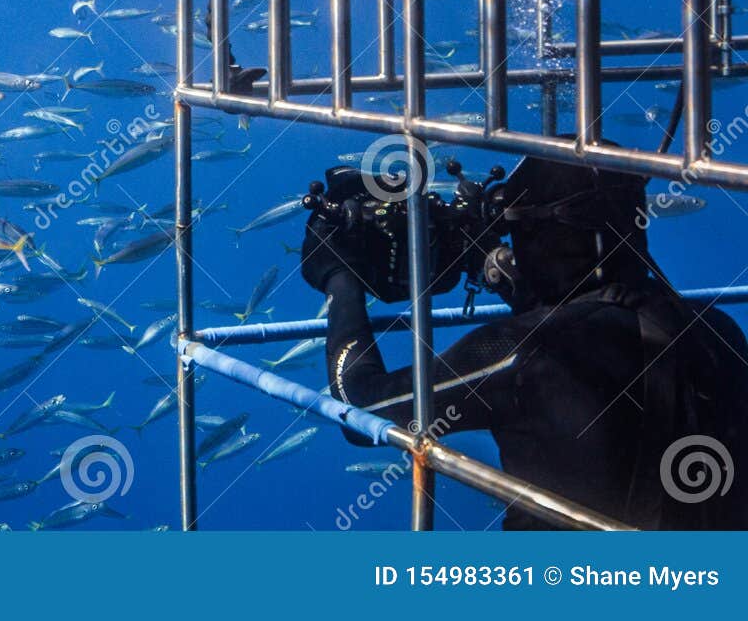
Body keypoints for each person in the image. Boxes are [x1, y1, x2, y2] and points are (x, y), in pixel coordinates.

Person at [302, 153, 748, 529]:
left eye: (519, 233)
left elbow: (361, 406)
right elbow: (592, 311)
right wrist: (495, 267)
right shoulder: (718, 330)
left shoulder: (522, 354)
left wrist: (340, 277)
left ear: (539, 239)